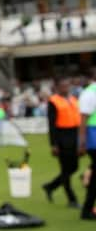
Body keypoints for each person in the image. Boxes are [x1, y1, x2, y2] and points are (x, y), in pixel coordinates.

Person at [42, 78, 81, 209]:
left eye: (67, 85)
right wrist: (53, 144)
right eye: (62, 86)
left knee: (74, 167)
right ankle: (71, 199)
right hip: (62, 137)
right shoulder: (53, 102)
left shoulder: (74, 99)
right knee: (65, 169)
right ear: (57, 87)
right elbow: (51, 125)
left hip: (75, 135)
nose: (65, 88)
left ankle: (50, 186)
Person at [79, 72, 96, 220]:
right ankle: (87, 210)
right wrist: (82, 142)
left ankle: (87, 209)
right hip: (93, 136)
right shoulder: (90, 93)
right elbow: (83, 117)